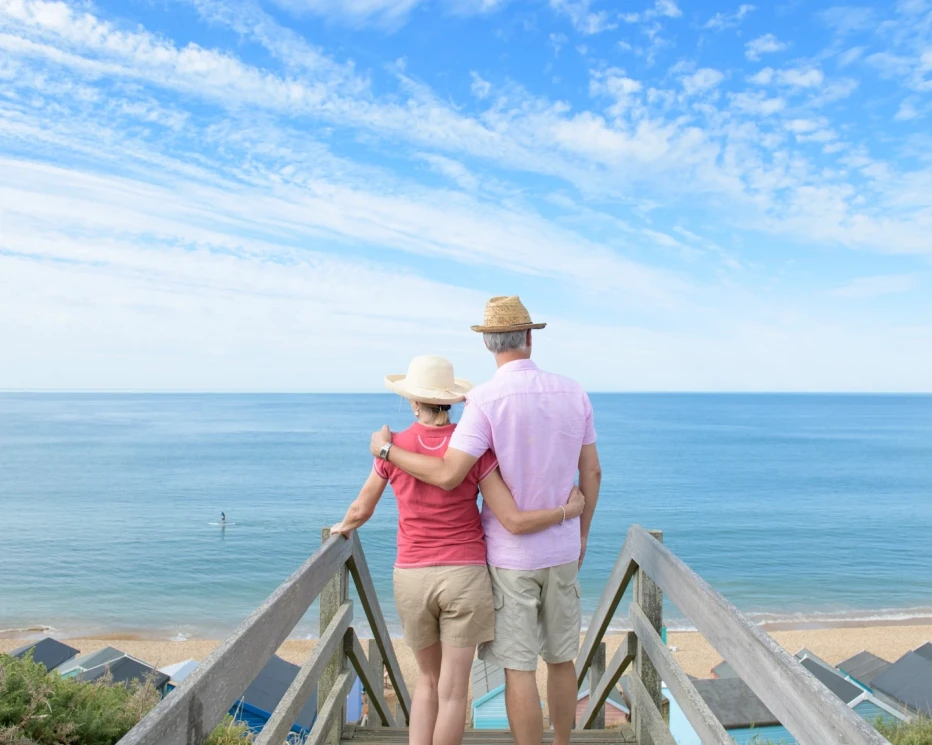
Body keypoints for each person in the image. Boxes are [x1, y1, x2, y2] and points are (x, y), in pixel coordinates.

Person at [369, 297, 601, 745]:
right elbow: (591, 472)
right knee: (561, 659)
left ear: (488, 345)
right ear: (530, 337)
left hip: (510, 558)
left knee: (518, 667)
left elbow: (450, 473)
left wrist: (385, 450)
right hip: (562, 549)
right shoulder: (574, 392)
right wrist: (581, 530)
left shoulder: (484, 400)